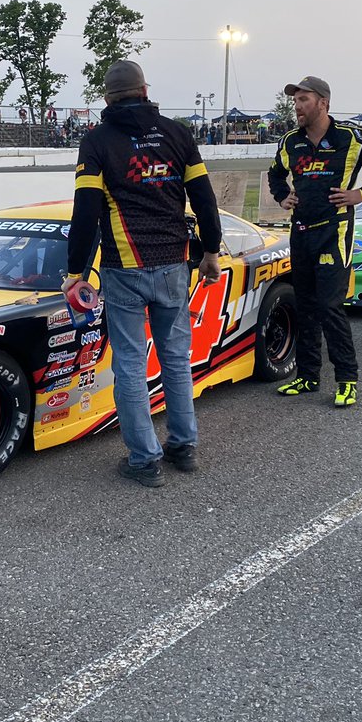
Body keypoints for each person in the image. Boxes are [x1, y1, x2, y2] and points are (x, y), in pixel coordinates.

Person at [64, 60, 221, 488]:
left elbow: (86, 212)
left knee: (131, 364)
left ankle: (144, 460)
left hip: (125, 269)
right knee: (175, 358)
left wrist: (74, 270)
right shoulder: (177, 133)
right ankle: (184, 446)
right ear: (145, 89)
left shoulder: (96, 141)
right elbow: (205, 199)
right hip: (174, 264)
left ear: (106, 98)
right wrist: (210, 250)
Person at [267, 75, 362, 404]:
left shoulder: (350, 136)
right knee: (306, 306)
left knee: (330, 306)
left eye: (303, 100)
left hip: (335, 230)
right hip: (300, 231)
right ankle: (307, 377)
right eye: (295, 101)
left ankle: (347, 379)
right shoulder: (290, 141)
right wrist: (282, 195)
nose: (297, 106)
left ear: (323, 103)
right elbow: (275, 173)